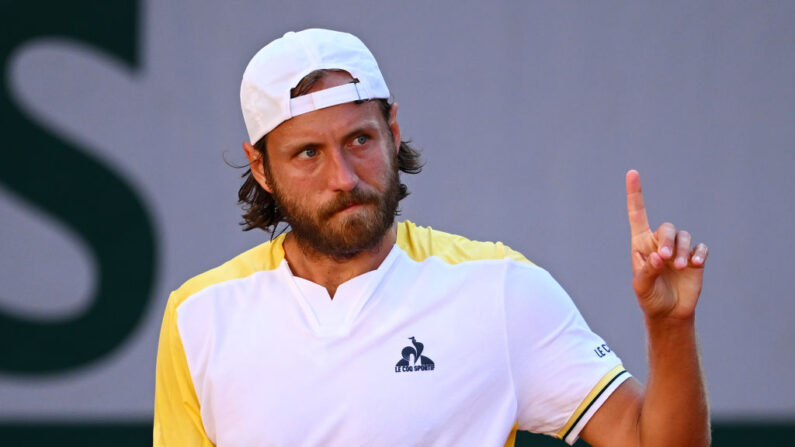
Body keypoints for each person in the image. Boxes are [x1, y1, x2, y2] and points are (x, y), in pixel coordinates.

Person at [154, 28, 710, 447]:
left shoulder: (499, 289)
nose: (344, 177)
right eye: (308, 154)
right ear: (261, 167)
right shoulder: (200, 314)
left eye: (360, 140)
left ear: (393, 133)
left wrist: (669, 326)